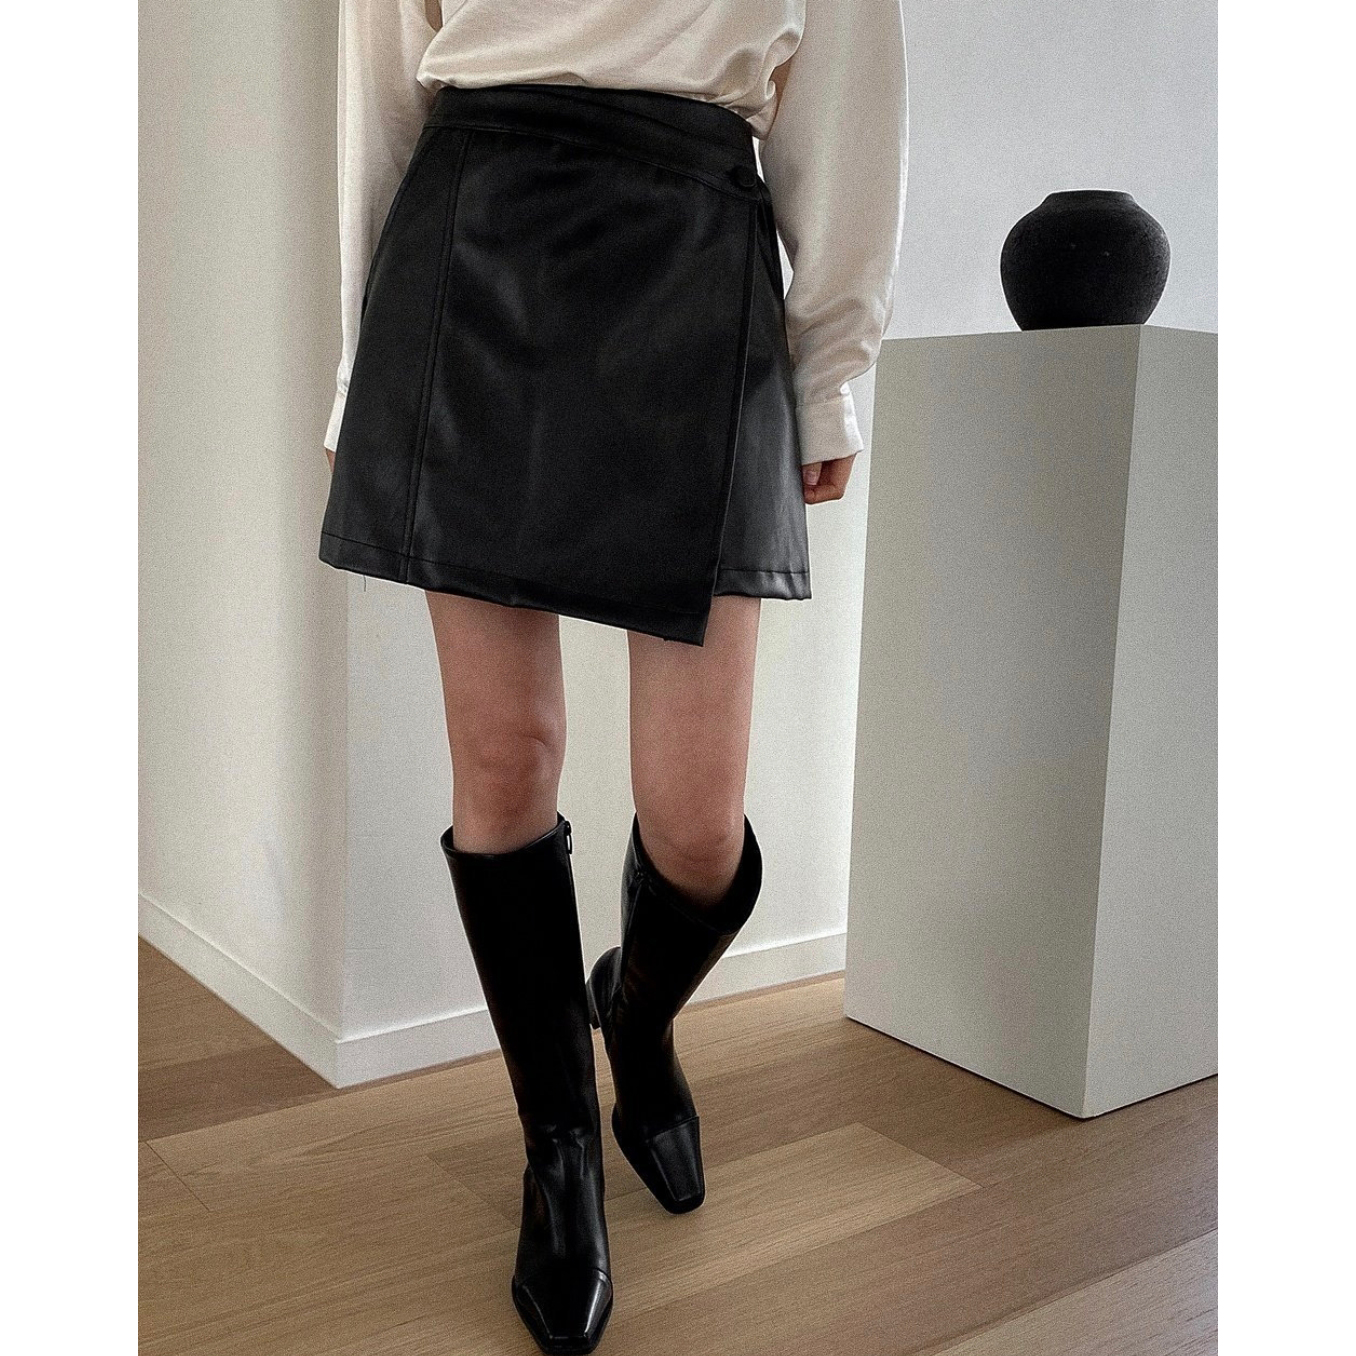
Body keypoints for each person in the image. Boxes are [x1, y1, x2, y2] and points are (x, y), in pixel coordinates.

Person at [318, 3, 907, 1351]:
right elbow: (378, 103)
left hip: (699, 263)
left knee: (698, 824)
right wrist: (362, 370)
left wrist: (831, 373)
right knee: (504, 756)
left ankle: (635, 1021)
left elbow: (849, 110)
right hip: (470, 252)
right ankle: (561, 1149)